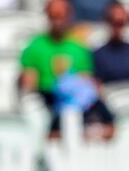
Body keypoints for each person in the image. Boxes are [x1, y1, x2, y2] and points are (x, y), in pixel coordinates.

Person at [20, 0, 114, 140]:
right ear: (47, 16)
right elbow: (29, 83)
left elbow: (85, 79)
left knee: (101, 111)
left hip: (74, 99)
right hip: (47, 95)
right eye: (54, 15)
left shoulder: (78, 46)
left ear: (69, 16)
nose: (58, 20)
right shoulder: (35, 46)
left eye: (61, 16)